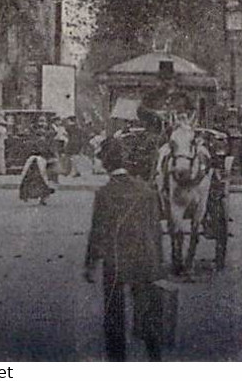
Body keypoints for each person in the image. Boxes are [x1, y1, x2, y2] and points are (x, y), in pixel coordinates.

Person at [84, 139, 164, 361]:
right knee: (146, 313)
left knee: (113, 317)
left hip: (115, 261)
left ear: (106, 164)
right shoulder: (146, 191)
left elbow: (97, 232)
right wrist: (159, 264)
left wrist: (90, 264)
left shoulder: (104, 194)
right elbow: (155, 230)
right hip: (144, 259)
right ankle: (155, 360)